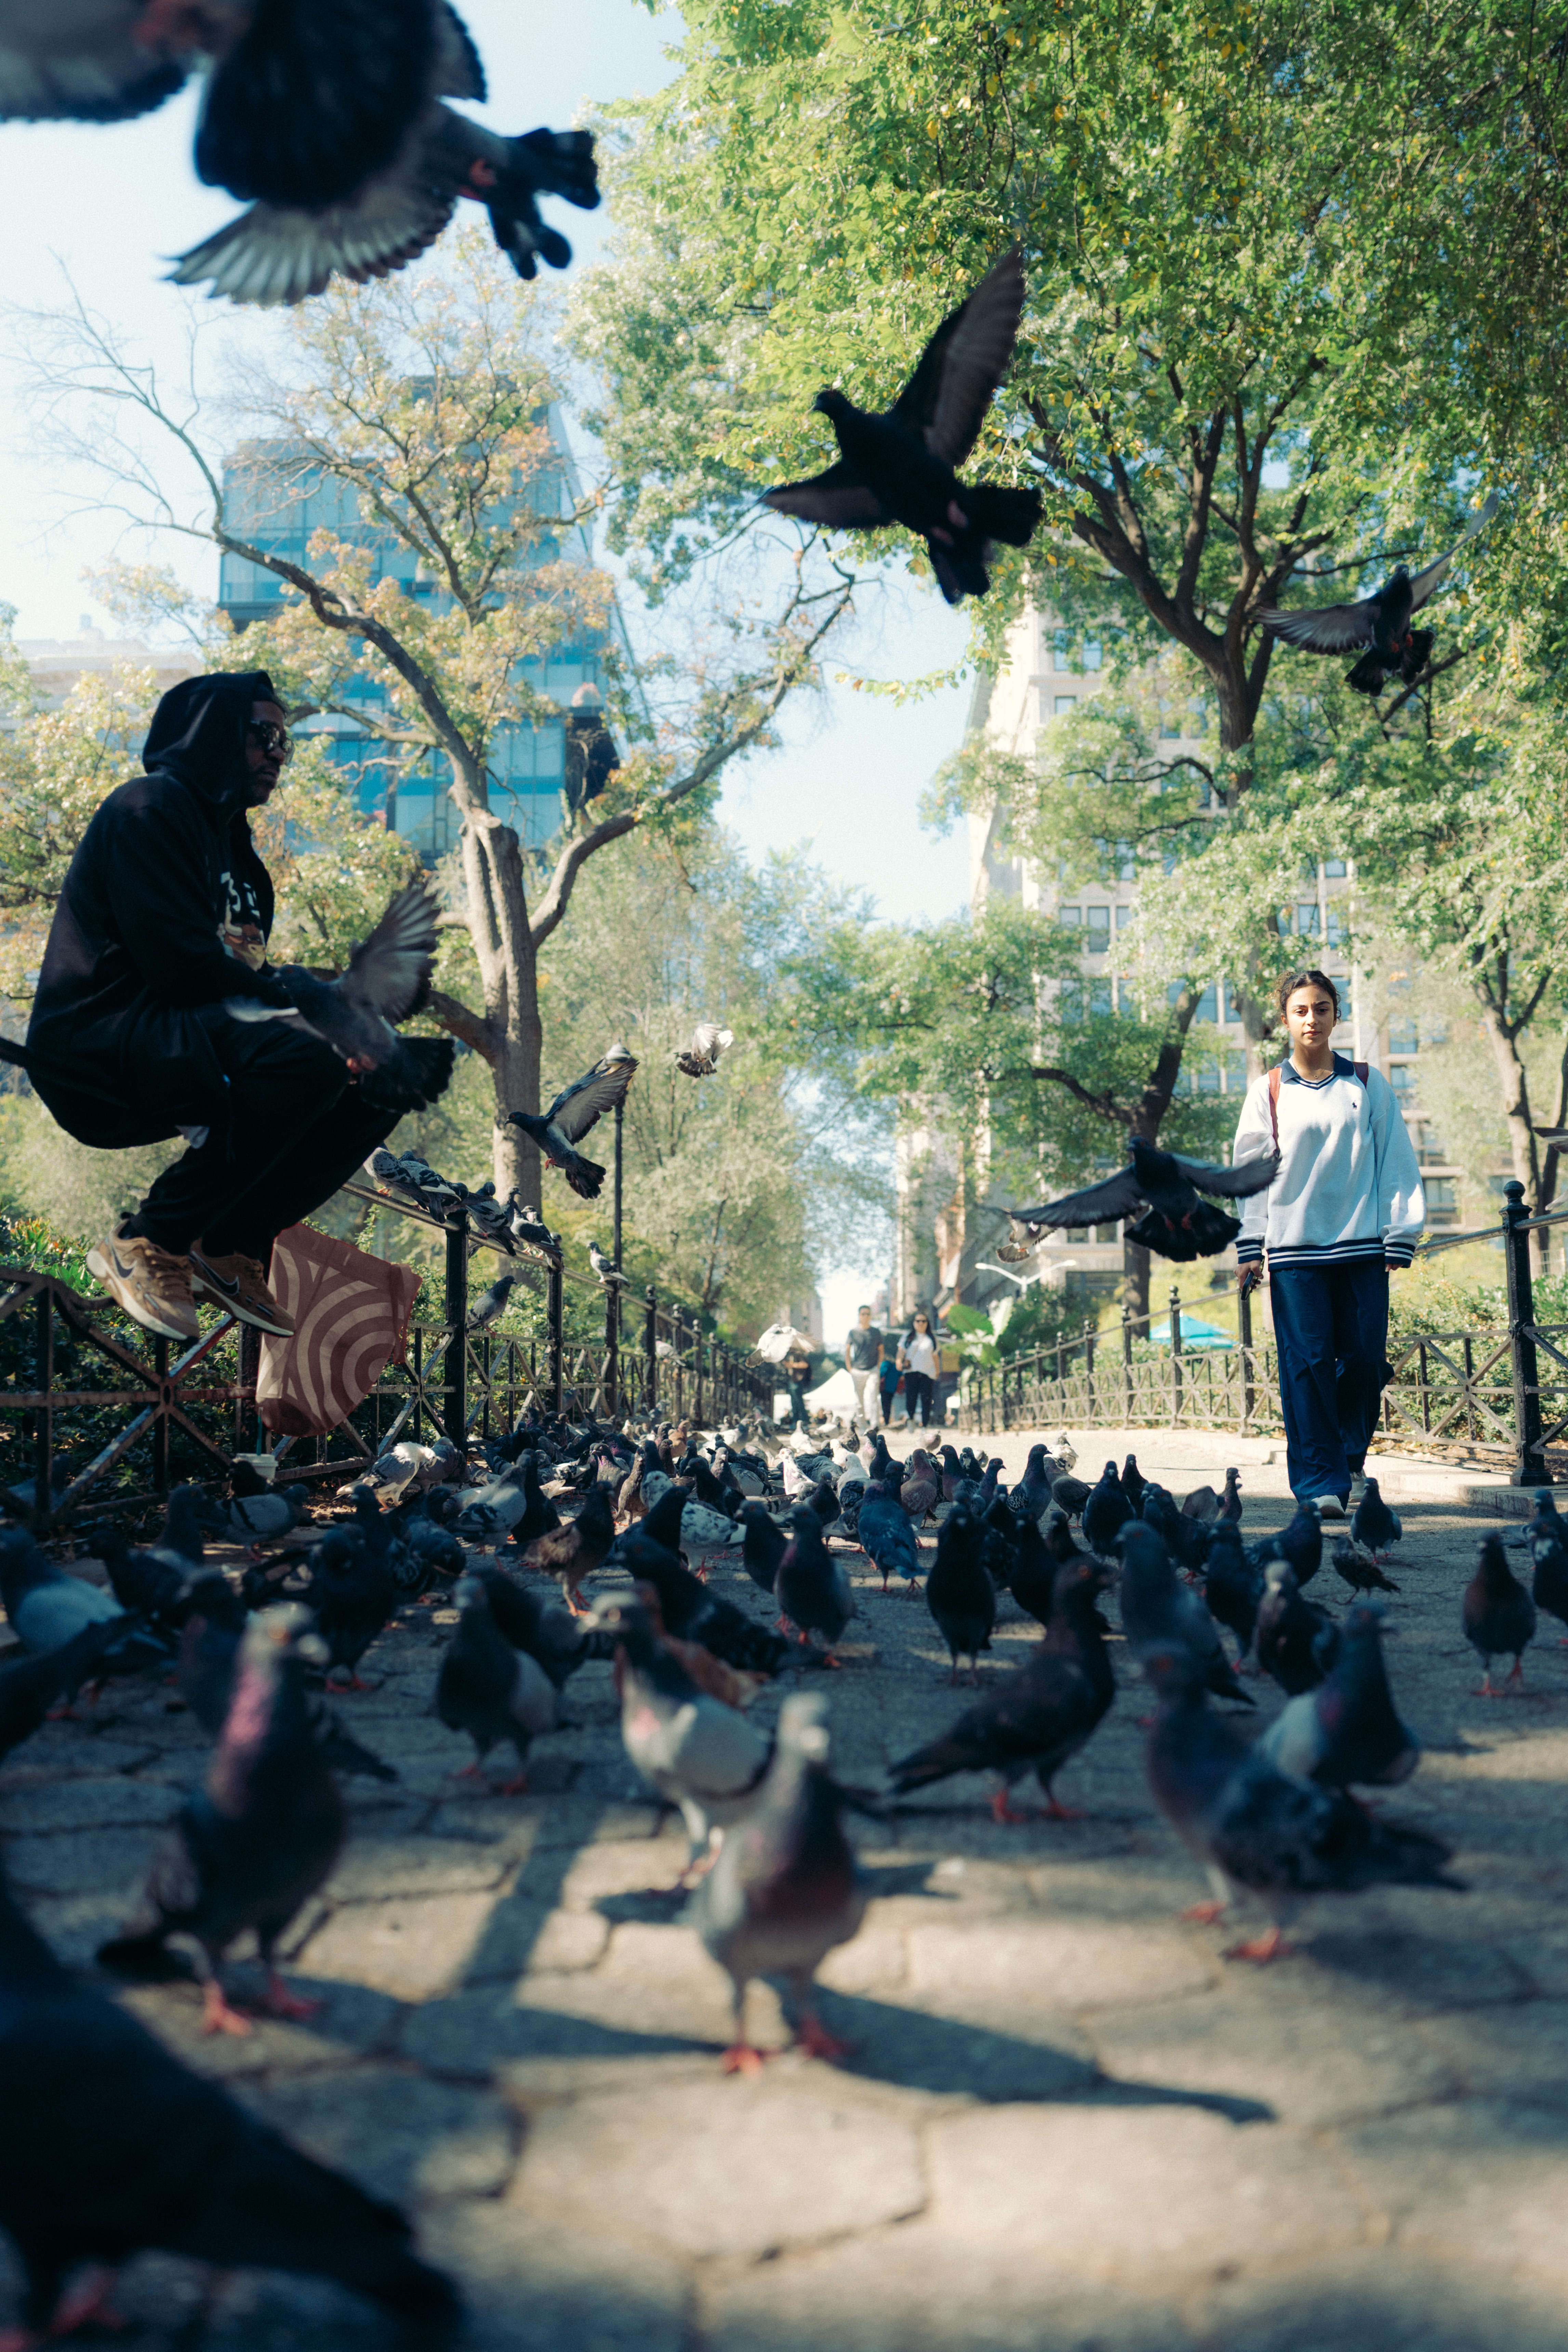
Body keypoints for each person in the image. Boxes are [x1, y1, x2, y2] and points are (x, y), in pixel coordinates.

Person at [24, 670, 406, 1346]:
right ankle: (149, 1238)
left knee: (384, 1073)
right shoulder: (148, 808)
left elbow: (243, 973)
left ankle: (227, 1242)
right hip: (100, 1039)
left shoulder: (241, 859)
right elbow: (181, 966)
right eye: (263, 736)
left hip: (181, 1044)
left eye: (285, 741)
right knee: (314, 1052)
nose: (278, 754)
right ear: (214, 734)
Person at [1232, 967, 1424, 1519]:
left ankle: (1347, 1457)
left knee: (1364, 1360)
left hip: (1362, 1247)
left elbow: (1395, 1159)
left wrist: (1400, 1232)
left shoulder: (1366, 1082)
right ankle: (1320, 1481)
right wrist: (1251, 1245)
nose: (1311, 1019)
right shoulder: (1268, 1090)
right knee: (1308, 1366)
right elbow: (1250, 1175)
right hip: (1294, 1254)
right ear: (1285, 1020)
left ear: (1336, 1014)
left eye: (1321, 1008)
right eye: (1300, 1010)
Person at [899, 1310, 939, 1429]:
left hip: (928, 1373)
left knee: (927, 1400)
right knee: (911, 1399)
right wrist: (898, 1361)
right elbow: (901, 1351)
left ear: (927, 1323)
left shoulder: (931, 1338)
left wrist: (937, 1371)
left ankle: (925, 1425)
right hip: (911, 1372)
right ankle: (911, 1420)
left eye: (924, 1321)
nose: (921, 1323)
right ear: (914, 1323)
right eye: (918, 1321)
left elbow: (935, 1356)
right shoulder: (908, 1337)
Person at [843, 1304, 883, 1423]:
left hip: (873, 1370)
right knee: (859, 1401)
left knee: (874, 1397)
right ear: (859, 1316)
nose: (866, 1316)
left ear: (871, 1316)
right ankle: (862, 1426)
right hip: (857, 1370)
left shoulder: (876, 1332)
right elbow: (847, 1350)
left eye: (868, 1314)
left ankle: (875, 1425)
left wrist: (878, 1366)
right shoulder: (853, 1333)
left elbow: (881, 1351)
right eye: (863, 1314)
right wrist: (850, 1368)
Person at [782, 1339, 813, 1430]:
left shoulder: (798, 1354)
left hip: (798, 1381)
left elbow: (805, 1365)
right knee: (794, 1403)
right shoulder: (789, 1355)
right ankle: (796, 1422)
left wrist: (792, 1365)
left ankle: (804, 1421)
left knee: (799, 1402)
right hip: (792, 1381)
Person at [877, 1336, 902, 1427]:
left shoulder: (885, 1364)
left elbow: (881, 1374)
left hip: (885, 1388)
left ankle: (886, 1421)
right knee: (889, 1404)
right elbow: (901, 1376)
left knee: (885, 1404)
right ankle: (887, 1420)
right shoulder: (896, 1366)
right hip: (893, 1388)